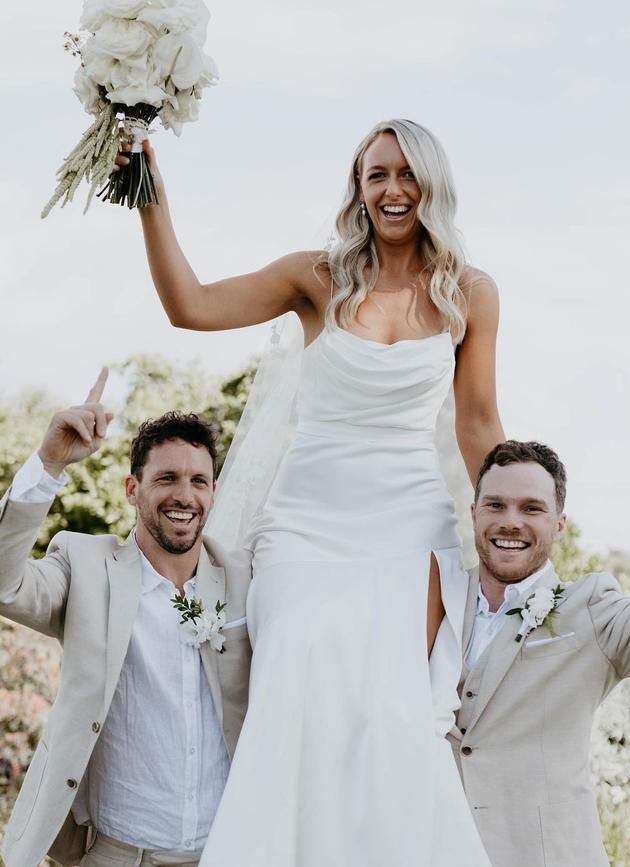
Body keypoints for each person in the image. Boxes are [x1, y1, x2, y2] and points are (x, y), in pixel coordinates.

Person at [126, 118, 505, 865]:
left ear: (433, 183)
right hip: (306, 522)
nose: (392, 189)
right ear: (358, 189)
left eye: (406, 173)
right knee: (294, 691)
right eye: (376, 174)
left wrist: (513, 533)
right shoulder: (316, 276)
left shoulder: (471, 292)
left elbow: (479, 423)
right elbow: (191, 305)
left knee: (395, 712)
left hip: (410, 523)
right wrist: (149, 194)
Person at [0, 370, 252, 867]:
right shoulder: (83, 566)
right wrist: (49, 463)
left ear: (213, 493)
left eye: (198, 481)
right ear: (132, 488)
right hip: (112, 856)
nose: (184, 495)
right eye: (166, 478)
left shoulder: (246, 575)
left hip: (225, 853)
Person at [451, 440, 630, 867]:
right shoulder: (435, 599)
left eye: (531, 508)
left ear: (560, 524)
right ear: (474, 513)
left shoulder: (591, 608)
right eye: (496, 505)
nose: (511, 522)